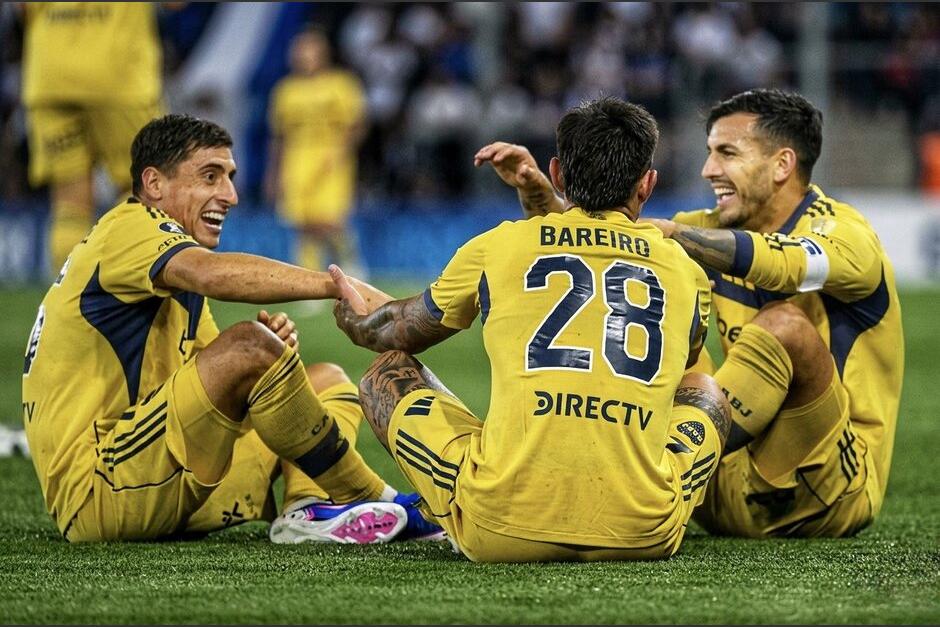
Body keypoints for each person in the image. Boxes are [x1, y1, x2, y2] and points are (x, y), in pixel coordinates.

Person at [331, 97, 731, 562]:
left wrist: (354, 319)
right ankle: (646, 500)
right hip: (642, 534)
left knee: (386, 373)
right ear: (647, 184)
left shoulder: (500, 246)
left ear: (558, 174)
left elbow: (396, 332)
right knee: (704, 389)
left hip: (498, 528)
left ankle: (415, 504)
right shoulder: (685, 271)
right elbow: (679, 363)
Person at [494, 89, 904, 539]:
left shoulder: (847, 236)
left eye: (726, 153)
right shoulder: (706, 225)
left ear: (783, 165)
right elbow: (592, 249)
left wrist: (674, 234)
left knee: (785, 327)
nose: (709, 170)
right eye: (709, 153)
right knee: (668, 342)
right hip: (711, 486)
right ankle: (582, 474)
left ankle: (626, 473)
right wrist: (543, 197)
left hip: (824, 493)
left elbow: (786, 266)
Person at [21, 113, 440, 544]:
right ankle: (376, 495)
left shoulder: (169, 273)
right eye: (209, 176)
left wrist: (269, 369)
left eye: (230, 177)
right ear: (154, 184)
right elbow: (213, 275)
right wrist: (335, 286)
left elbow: (216, 393)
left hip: (152, 473)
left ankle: (307, 511)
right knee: (248, 347)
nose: (231, 195)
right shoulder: (129, 227)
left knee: (321, 378)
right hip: (101, 487)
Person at [20, 3, 166, 274]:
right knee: (143, 187)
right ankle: (128, 291)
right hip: (118, 73)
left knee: (69, 200)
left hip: (50, 71)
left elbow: (24, 9)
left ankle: (68, 301)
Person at [265, 26, 368, 282]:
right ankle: (309, 280)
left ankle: (350, 259)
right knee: (303, 222)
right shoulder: (285, 90)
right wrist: (273, 173)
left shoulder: (341, 84)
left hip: (331, 157)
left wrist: (344, 151)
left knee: (328, 218)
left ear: (323, 52)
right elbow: (279, 136)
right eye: (299, 50)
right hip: (296, 159)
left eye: (308, 49)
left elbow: (358, 123)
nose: (303, 55)